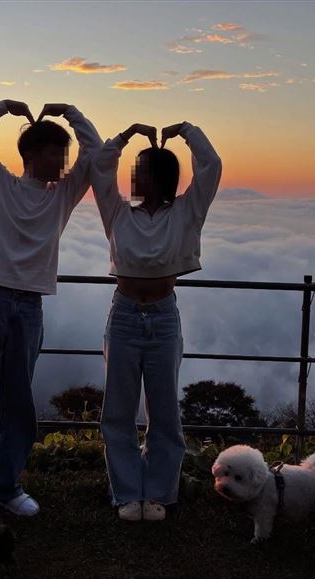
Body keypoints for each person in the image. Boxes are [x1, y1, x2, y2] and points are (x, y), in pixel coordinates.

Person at [0, 99, 102, 539]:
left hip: (29, 306)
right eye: (55, 152)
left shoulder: (63, 197)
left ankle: (4, 486)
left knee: (19, 408)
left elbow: (93, 153)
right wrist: (3, 108)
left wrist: (73, 112)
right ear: (31, 156)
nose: (63, 160)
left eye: (64, 153)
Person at [91, 121, 221, 521]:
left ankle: (159, 495)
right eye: (134, 169)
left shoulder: (185, 212)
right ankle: (128, 493)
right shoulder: (116, 211)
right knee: (118, 410)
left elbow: (210, 165)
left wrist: (187, 130)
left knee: (164, 411)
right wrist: (126, 135)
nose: (135, 177)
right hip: (125, 314)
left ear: (161, 177)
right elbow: (99, 167)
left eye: (142, 170)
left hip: (163, 317)